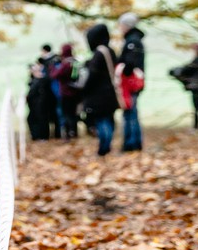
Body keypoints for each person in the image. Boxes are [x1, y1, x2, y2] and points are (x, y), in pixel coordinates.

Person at [79, 23, 120, 155]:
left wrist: (84, 89)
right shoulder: (110, 51)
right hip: (110, 93)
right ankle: (106, 146)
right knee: (108, 120)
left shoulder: (99, 53)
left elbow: (93, 75)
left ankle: (104, 148)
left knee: (102, 121)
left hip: (100, 95)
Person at [117, 12, 146, 151]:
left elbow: (129, 63)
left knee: (130, 113)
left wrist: (121, 70)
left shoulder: (132, 42)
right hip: (132, 84)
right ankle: (133, 142)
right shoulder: (134, 40)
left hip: (130, 84)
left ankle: (131, 143)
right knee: (131, 113)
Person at [173, 43, 198, 130]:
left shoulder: (196, 61)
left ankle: (196, 126)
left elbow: (186, 70)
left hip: (195, 87)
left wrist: (183, 76)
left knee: (196, 107)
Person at [55, 43, 81, 140]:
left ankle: (69, 132)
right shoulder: (75, 62)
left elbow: (55, 75)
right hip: (75, 92)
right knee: (73, 114)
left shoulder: (66, 64)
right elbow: (75, 76)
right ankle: (73, 131)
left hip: (66, 93)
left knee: (67, 114)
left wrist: (52, 67)